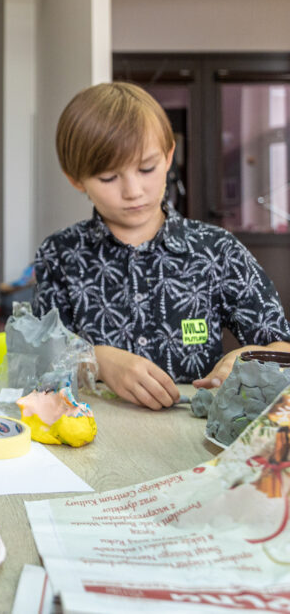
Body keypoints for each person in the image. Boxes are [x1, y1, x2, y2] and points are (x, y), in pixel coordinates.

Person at [33, 81, 290, 410]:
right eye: (109, 178)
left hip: (191, 441)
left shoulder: (217, 251)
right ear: (75, 178)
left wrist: (246, 360)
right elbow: (39, 365)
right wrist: (97, 360)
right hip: (88, 437)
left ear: (169, 156)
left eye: (146, 168)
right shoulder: (61, 255)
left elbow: (281, 347)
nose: (133, 190)